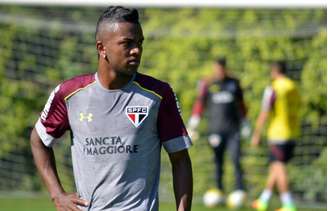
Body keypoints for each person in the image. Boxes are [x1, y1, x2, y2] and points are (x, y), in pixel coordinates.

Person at [30, 6, 193, 211]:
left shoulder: (158, 95)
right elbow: (38, 140)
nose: (136, 50)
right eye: (127, 43)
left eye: (139, 43)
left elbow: (180, 160)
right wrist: (57, 195)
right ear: (102, 48)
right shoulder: (70, 94)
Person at [187, 57, 248, 203]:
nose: (219, 71)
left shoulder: (234, 83)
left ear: (225, 68)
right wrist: (193, 123)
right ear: (214, 68)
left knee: (235, 159)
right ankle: (219, 190)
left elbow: (241, 104)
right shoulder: (207, 84)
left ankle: (239, 191)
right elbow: (199, 104)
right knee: (217, 161)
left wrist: (246, 123)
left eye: (221, 68)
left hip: (233, 130)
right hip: (215, 131)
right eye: (217, 68)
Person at [251, 61, 301, 211]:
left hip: (278, 133)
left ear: (274, 71)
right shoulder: (293, 86)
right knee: (274, 167)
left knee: (279, 167)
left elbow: (265, 111)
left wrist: (257, 133)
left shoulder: (273, 88)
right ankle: (263, 200)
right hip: (292, 131)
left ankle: (288, 204)